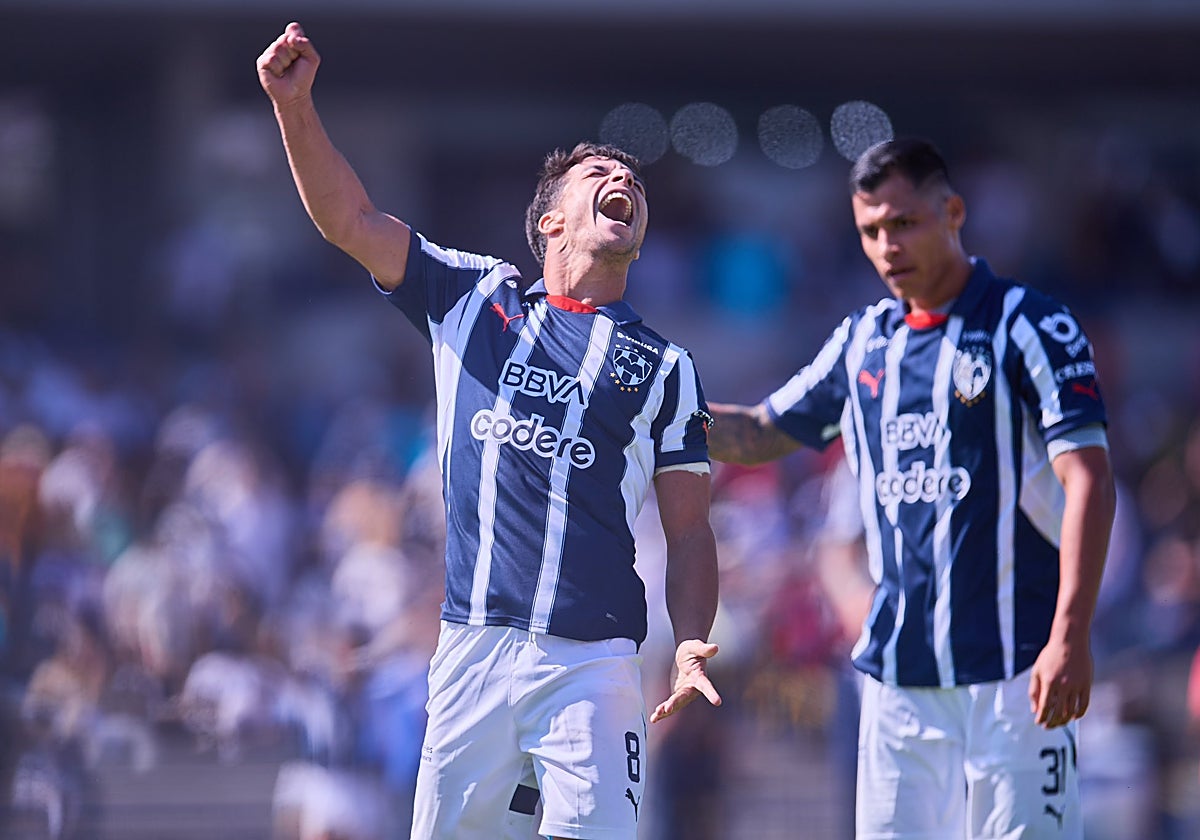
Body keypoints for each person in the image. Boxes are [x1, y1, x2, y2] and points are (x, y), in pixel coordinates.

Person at [256, 22, 721, 840]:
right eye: (599, 173)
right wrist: (294, 108)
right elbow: (351, 219)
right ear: (549, 224)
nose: (624, 179)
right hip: (471, 654)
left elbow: (689, 531)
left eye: (633, 180)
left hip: (593, 663)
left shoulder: (664, 364)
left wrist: (688, 645)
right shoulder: (474, 298)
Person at [707, 137, 1116, 839]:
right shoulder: (861, 343)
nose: (887, 245)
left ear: (951, 212)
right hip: (899, 680)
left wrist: (1070, 636)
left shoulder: (1030, 326)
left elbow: (1091, 482)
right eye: (870, 231)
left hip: (1019, 670)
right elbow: (758, 432)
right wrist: (650, 400)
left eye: (904, 223)